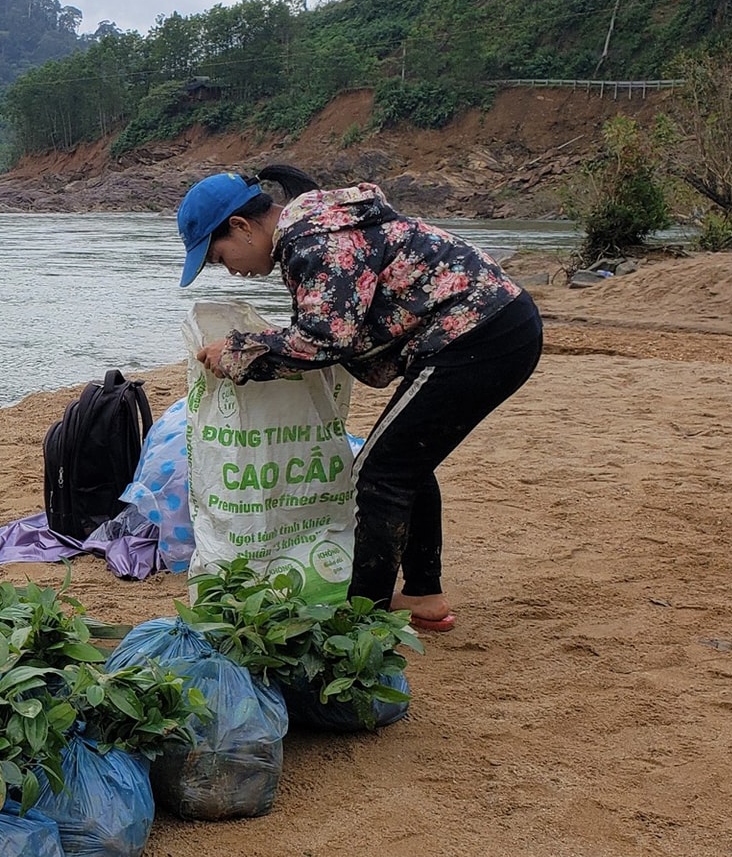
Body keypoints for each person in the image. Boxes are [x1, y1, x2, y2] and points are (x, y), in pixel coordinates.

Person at [175, 166, 542, 632]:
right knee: (404, 462)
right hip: (498, 327)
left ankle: (359, 622)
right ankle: (422, 594)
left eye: (219, 257)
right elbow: (334, 328)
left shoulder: (311, 241)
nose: (230, 270)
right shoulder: (317, 228)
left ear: (242, 227)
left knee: (377, 473)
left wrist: (237, 351)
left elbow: (325, 339)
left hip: (477, 337)